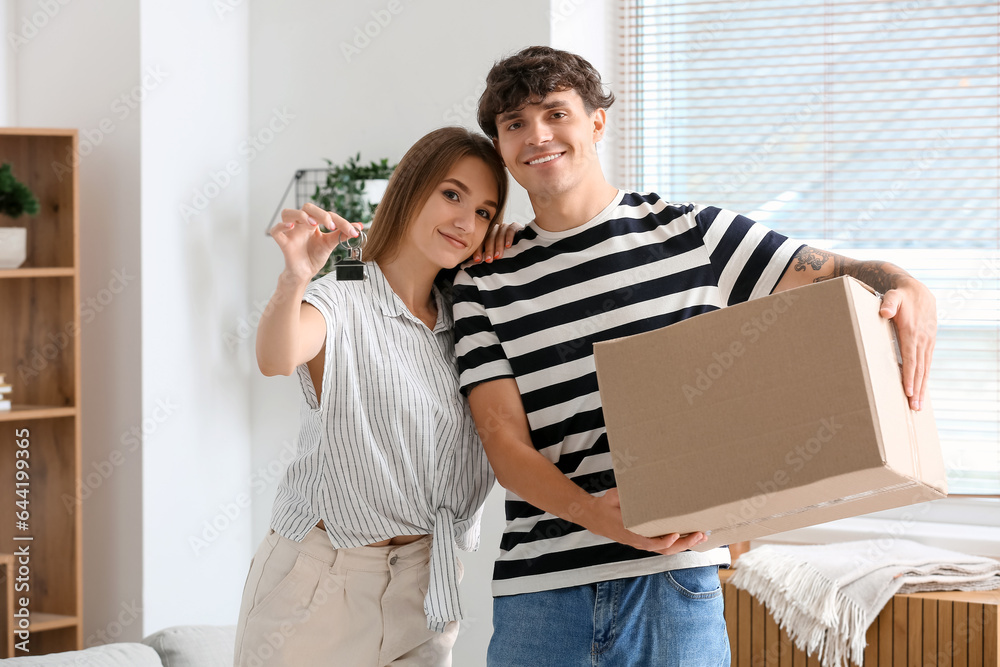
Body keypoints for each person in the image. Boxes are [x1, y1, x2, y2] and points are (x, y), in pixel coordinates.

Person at [453, 46, 937, 666]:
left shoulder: (695, 236)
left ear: (596, 121)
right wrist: (601, 520)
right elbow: (503, 446)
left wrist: (910, 286)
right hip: (541, 594)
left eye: (555, 113)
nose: (537, 136)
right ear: (500, 144)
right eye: (515, 124)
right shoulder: (484, 280)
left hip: (675, 585)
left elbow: (843, 275)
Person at [233, 126, 516, 667]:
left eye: (484, 211)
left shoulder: (472, 319)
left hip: (429, 585)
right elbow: (277, 356)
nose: (465, 221)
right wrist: (293, 280)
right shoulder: (342, 293)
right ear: (411, 190)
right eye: (451, 195)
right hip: (320, 587)